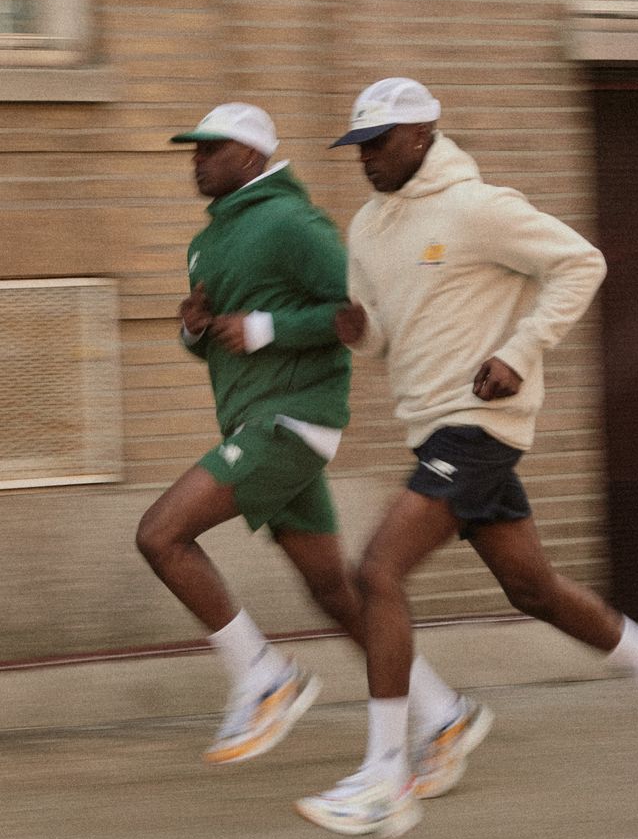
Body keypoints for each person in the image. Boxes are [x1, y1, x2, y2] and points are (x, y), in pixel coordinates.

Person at [295, 78, 638, 838]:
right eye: (358, 147)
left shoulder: (478, 207)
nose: (366, 159)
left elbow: (580, 263)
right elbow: (384, 336)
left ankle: (387, 774)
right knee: (534, 589)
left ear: (423, 134)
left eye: (380, 142)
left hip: (478, 425)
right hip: (431, 430)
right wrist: (359, 330)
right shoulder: (366, 228)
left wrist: (520, 350)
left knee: (375, 572)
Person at [136, 101, 489, 781]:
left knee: (161, 533)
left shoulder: (293, 222)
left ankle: (265, 677)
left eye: (211, 149)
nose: (197, 160)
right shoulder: (207, 240)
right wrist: (194, 329)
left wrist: (268, 327)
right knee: (335, 591)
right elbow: (220, 345)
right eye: (194, 150)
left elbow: (357, 313)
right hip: (252, 422)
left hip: (292, 422)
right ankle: (443, 712)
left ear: (252, 156)